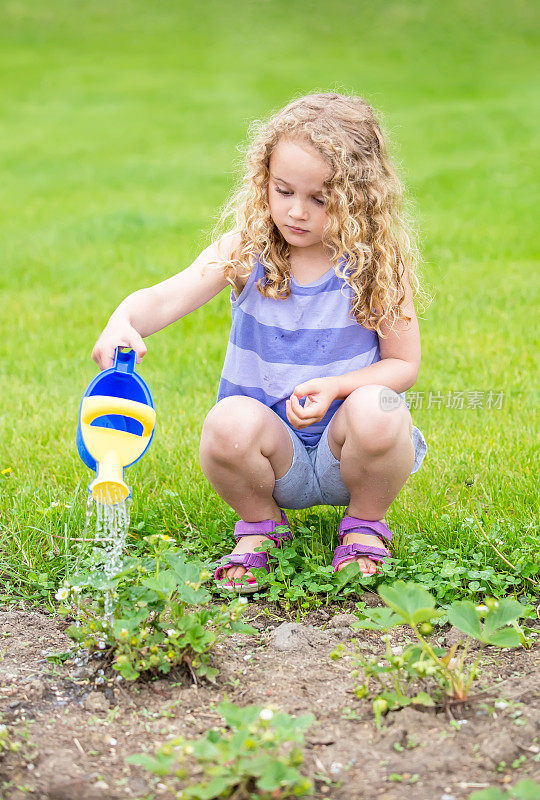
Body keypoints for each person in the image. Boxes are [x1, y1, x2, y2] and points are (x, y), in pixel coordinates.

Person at [92, 92, 430, 594]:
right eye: (283, 190)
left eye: (320, 199)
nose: (296, 212)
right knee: (225, 423)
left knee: (380, 408)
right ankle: (261, 527)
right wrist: (123, 320)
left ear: (359, 197)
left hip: (349, 449)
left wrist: (338, 386)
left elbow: (403, 365)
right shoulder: (247, 251)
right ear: (264, 179)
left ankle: (363, 526)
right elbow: (166, 298)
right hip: (273, 455)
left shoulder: (377, 263)